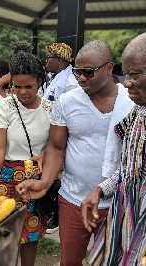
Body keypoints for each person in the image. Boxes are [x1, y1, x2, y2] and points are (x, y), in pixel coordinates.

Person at [15, 40, 135, 266]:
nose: (81, 78)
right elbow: (57, 146)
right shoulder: (67, 102)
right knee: (70, 260)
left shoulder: (131, 102)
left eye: (88, 72)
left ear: (110, 68)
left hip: (118, 202)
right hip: (73, 199)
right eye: (78, 71)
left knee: (114, 260)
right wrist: (44, 182)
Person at [0, 44, 54, 266]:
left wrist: (46, 155)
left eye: (28, 86)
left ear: (39, 81)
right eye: (17, 87)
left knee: (31, 236)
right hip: (6, 176)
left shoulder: (50, 109)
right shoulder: (6, 106)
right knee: (3, 232)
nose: (22, 92)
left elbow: (55, 145)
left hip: (34, 179)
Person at [80, 33, 146, 265]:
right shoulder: (138, 113)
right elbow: (131, 168)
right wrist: (101, 189)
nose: (126, 82)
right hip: (124, 222)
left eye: (135, 75)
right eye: (126, 74)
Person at [44, 42, 79, 233]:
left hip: (63, 138)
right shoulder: (57, 77)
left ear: (59, 60)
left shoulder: (70, 82)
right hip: (54, 135)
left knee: (60, 177)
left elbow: (69, 114)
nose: (47, 61)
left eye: (49, 57)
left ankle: (57, 218)